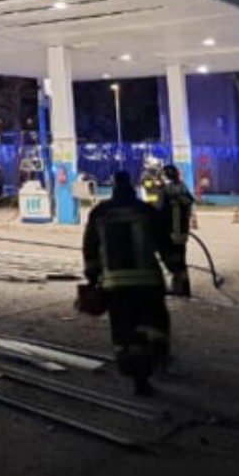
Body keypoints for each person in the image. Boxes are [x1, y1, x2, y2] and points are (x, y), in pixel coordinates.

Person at [82, 171, 186, 396]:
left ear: (113, 188)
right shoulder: (145, 211)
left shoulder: (100, 212)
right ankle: (157, 360)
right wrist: (176, 268)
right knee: (155, 327)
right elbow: (164, 243)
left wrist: (92, 277)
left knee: (124, 332)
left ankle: (138, 379)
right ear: (132, 187)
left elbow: (90, 248)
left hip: (115, 285)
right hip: (148, 283)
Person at [154, 165, 194, 298]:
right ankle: (184, 288)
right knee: (181, 261)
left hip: (168, 233)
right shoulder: (183, 188)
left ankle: (177, 287)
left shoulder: (165, 191)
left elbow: (158, 211)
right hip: (182, 233)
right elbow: (189, 204)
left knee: (170, 260)